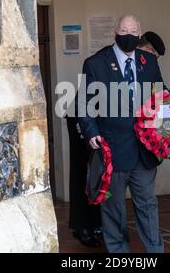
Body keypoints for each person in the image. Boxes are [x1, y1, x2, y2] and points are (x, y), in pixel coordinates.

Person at [77, 15, 165, 253]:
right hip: (112, 150)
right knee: (113, 208)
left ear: (139, 34)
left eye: (133, 30)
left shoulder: (149, 61)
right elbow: (84, 104)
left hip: (145, 150)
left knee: (147, 205)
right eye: (124, 29)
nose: (128, 34)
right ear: (115, 31)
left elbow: (160, 94)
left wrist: (167, 121)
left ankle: (155, 251)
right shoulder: (95, 63)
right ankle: (118, 253)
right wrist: (91, 132)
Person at [66, 102, 102, 248]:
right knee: (82, 173)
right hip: (82, 118)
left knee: (101, 176)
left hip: (100, 116)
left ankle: (97, 223)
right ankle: (82, 225)